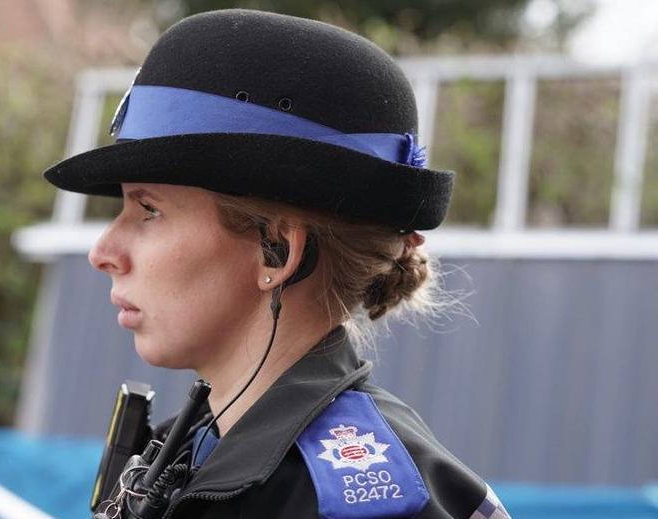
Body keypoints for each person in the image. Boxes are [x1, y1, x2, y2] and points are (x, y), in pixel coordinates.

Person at [44, 8, 511, 519]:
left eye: (149, 210)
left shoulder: (343, 503)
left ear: (277, 249)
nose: (103, 253)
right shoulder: (201, 444)